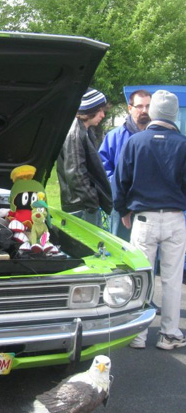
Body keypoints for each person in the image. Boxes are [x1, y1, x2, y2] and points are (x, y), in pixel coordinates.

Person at [113, 90, 186, 350]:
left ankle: (138, 334)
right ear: (174, 114)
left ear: (152, 112)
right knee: (172, 278)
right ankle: (169, 334)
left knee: (141, 277)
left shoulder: (135, 142)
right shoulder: (183, 144)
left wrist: (122, 210)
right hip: (175, 217)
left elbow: (121, 180)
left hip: (143, 218)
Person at [99, 89, 152, 240]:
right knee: (120, 246)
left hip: (148, 205)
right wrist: (118, 190)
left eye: (148, 106)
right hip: (122, 204)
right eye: (140, 106)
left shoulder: (155, 138)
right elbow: (103, 167)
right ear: (130, 108)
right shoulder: (114, 137)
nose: (144, 110)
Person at [57, 88, 113, 227]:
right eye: (100, 110)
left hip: (83, 205)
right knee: (87, 248)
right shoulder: (75, 133)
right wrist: (93, 202)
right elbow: (75, 173)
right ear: (89, 110)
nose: (103, 115)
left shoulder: (85, 130)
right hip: (81, 207)